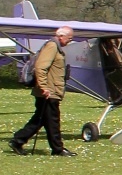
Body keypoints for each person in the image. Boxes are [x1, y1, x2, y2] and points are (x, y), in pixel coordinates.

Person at [10, 26, 77, 156]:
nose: (70, 40)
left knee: (42, 120)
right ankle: (57, 149)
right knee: (52, 120)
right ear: (61, 36)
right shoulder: (52, 46)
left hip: (51, 90)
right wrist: (44, 87)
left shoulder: (55, 46)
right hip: (48, 91)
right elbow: (41, 67)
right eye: (69, 38)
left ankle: (18, 140)